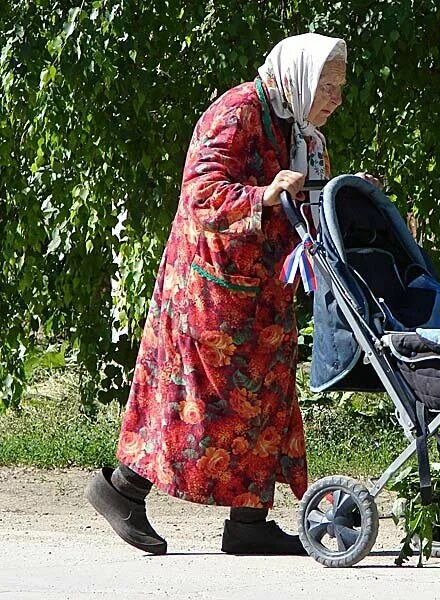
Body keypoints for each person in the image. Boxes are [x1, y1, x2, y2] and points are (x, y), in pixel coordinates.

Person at [86, 33, 377, 556]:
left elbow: (303, 205)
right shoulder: (239, 109)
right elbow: (200, 190)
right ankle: (121, 489)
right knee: (188, 401)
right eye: (328, 86)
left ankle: (250, 523)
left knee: (270, 402)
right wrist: (261, 195)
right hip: (209, 293)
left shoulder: (301, 133)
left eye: (339, 87)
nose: (336, 98)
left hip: (265, 294)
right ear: (301, 77)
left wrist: (347, 196)